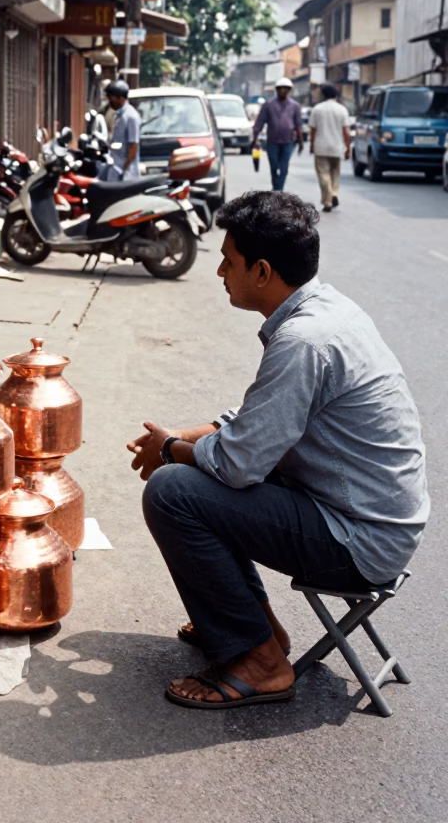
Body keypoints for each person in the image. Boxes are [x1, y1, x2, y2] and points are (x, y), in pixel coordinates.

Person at [128, 190, 428, 710]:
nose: (220, 271)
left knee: (173, 492)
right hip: (370, 521)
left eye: (228, 261)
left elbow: (239, 463)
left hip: (358, 542)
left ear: (262, 271)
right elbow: (256, 424)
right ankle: (255, 631)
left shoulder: (303, 341)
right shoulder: (325, 310)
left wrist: (171, 450)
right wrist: (178, 438)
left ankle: (261, 664)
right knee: (196, 475)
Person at [252, 78, 304, 191]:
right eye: (281, 89)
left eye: (286, 89)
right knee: (274, 166)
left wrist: (301, 142)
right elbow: (259, 123)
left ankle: (278, 189)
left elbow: (298, 125)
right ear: (277, 90)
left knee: (284, 167)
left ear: (289, 90)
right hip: (272, 141)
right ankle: (276, 187)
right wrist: (255, 139)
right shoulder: (268, 105)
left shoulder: (295, 106)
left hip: (288, 141)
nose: (283, 91)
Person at [309, 83, 351, 212]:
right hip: (337, 147)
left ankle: (327, 201)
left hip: (321, 147)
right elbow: (346, 132)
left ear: (323, 95)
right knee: (335, 174)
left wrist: (311, 145)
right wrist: (348, 147)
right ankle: (334, 194)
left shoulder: (317, 109)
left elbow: (313, 130)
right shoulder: (342, 109)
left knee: (323, 175)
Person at [103, 79, 141, 180]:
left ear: (120, 98)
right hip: (116, 169)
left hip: (125, 174)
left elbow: (133, 147)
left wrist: (123, 170)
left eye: (111, 98)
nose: (110, 101)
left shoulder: (131, 116)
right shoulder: (119, 115)